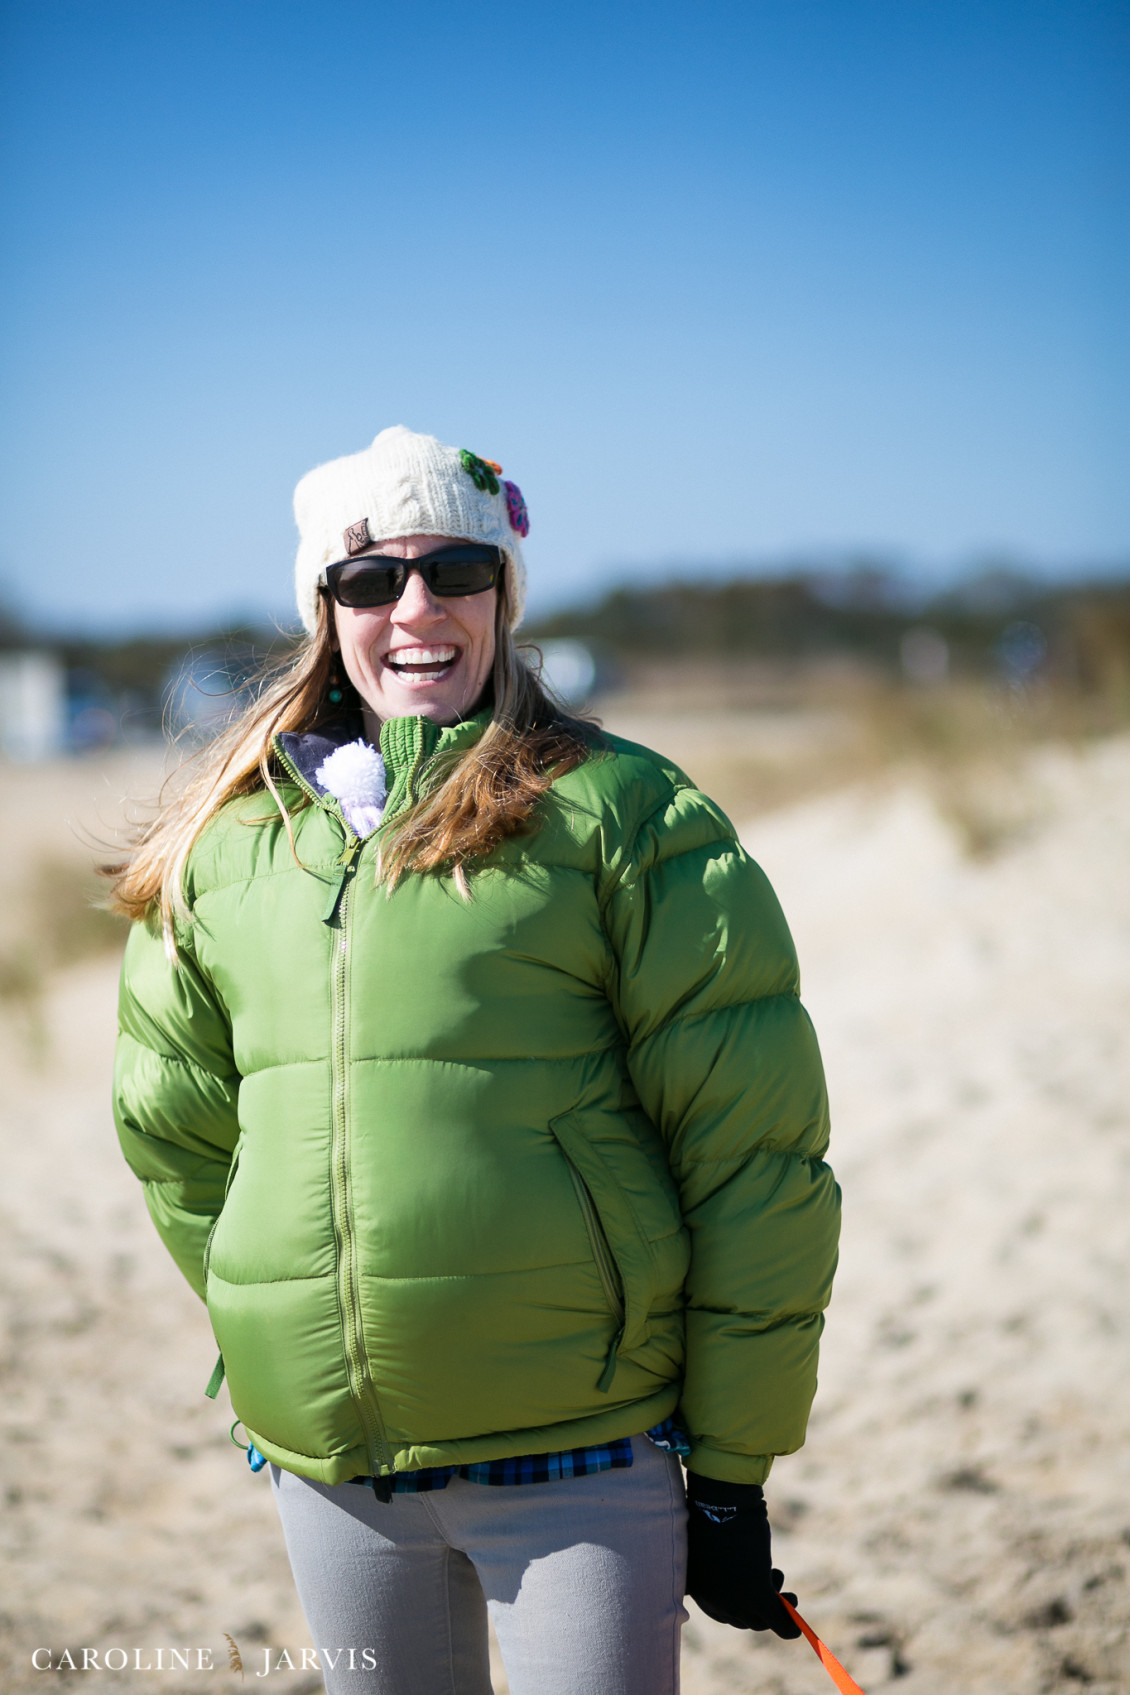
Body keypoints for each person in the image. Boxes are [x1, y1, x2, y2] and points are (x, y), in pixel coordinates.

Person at [110, 425, 840, 1695]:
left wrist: (730, 1467)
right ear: (322, 611)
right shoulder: (228, 850)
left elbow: (751, 1156)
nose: (415, 610)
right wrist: (272, 1320)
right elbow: (175, 1137)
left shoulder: (626, 816)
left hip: (579, 1454)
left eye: (454, 571)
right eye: (367, 581)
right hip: (335, 1471)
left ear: (503, 595)